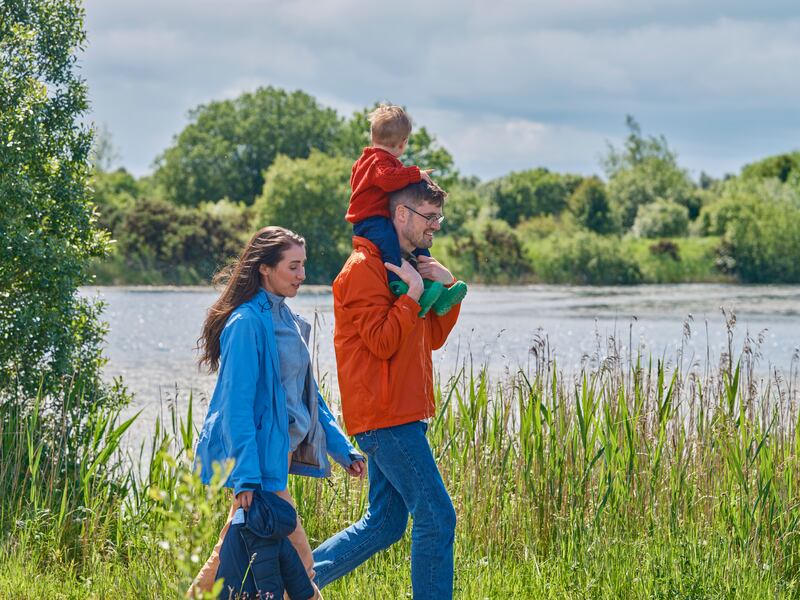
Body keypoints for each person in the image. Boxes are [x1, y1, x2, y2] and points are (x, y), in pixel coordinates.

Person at [190, 226, 366, 598]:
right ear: (265, 268)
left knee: (233, 554)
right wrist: (246, 478)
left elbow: (308, 398)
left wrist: (342, 449)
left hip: (277, 458)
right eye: (293, 266)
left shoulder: (287, 321)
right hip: (258, 463)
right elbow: (236, 409)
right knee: (297, 562)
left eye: (303, 265)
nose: (302, 275)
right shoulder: (246, 324)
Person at [313, 181, 463, 598]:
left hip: (403, 414)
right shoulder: (362, 269)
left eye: (438, 217)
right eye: (429, 216)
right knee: (437, 517)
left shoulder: (405, 265)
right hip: (385, 417)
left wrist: (446, 289)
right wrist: (411, 295)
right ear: (401, 214)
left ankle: (294, 586)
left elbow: (431, 337)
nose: (436, 225)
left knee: (385, 523)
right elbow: (381, 342)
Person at [347, 104, 467, 316]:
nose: (436, 225)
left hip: (378, 217)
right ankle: (399, 284)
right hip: (370, 219)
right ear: (403, 143)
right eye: (430, 217)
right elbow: (387, 179)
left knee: (420, 248)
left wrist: (447, 280)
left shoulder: (370, 161)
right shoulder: (378, 161)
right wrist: (415, 174)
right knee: (389, 245)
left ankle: (438, 292)